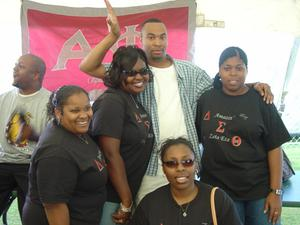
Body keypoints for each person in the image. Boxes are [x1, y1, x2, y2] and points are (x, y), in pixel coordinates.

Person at [79, 0, 274, 203]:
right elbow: (88, 66)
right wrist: (113, 36)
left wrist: (250, 84)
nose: (158, 42)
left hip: (187, 162)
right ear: (141, 39)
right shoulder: (133, 73)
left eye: (162, 37)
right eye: (151, 37)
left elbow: (222, 91)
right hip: (151, 167)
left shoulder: (190, 71)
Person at [195, 47, 291, 225]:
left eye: (239, 68)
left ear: (247, 70)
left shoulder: (262, 100)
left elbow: (274, 147)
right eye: (227, 67)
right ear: (219, 70)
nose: (233, 73)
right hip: (218, 188)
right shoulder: (206, 99)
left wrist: (276, 192)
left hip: (258, 189)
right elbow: (197, 137)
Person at [22, 85, 107, 225]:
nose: (84, 115)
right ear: (58, 112)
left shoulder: (72, 129)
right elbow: (54, 206)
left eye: (87, 108)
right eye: (75, 111)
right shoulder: (56, 153)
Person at [89, 44, 154, 224]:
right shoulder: (112, 101)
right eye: (131, 73)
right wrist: (126, 201)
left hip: (126, 193)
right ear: (118, 74)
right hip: (110, 197)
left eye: (143, 71)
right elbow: (110, 154)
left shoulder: (132, 99)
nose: (139, 77)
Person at [129, 137, 242, 225]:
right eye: (171, 163)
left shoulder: (217, 199)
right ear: (163, 169)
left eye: (187, 161)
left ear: (196, 165)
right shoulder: (150, 204)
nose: (180, 168)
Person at [0, 54, 50, 217]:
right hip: (3, 161)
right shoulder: (3, 99)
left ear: (35, 75)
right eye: (15, 65)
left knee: (32, 216)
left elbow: (56, 142)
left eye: (20, 66)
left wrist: (33, 135)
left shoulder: (51, 101)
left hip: (32, 165)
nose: (14, 69)